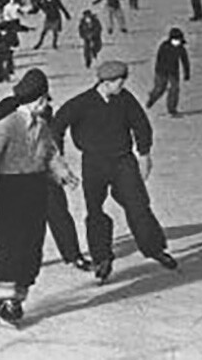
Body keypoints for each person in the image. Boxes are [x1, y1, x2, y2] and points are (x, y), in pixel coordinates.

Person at [50, 60, 178, 285]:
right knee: (95, 210)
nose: (122, 85)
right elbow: (57, 126)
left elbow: (141, 125)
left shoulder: (125, 100)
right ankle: (102, 258)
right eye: (118, 82)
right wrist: (58, 158)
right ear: (105, 82)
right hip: (94, 163)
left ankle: (154, 248)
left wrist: (145, 154)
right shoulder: (82, 103)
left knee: (138, 204)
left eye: (123, 80)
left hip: (123, 161)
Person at [0, 70, 79, 327]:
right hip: (10, 188)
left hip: (36, 187)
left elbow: (50, 152)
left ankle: (18, 296)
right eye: (44, 99)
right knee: (11, 244)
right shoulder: (6, 126)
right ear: (34, 100)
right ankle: (6, 300)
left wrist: (63, 173)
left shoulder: (40, 125)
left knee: (32, 245)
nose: (47, 104)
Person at [0, 72, 93, 276]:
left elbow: (50, 138)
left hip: (43, 171)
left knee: (58, 211)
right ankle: (15, 258)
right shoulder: (7, 108)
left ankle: (73, 254)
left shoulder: (45, 110)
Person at [146, 27, 191, 117]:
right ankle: (152, 98)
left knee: (174, 89)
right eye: (175, 39)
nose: (177, 41)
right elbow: (159, 59)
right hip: (161, 71)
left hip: (173, 72)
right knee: (160, 89)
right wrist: (160, 70)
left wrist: (187, 73)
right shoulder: (164, 46)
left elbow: (185, 61)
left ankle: (172, 109)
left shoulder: (181, 48)